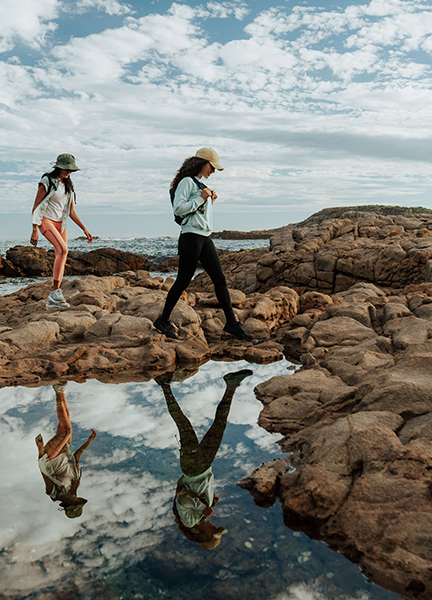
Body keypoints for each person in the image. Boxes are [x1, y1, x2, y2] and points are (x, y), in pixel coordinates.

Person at [153, 148, 252, 340]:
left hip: (204, 238)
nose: (213, 171)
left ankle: (231, 323)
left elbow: (197, 212)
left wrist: (209, 201)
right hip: (191, 238)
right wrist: (202, 198)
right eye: (212, 167)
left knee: (220, 279)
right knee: (183, 280)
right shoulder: (187, 182)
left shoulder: (199, 184)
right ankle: (163, 320)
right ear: (201, 163)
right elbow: (179, 209)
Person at [158, 368, 253, 549]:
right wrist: (210, 498)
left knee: (187, 424)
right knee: (209, 424)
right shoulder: (198, 518)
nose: (213, 526)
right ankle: (230, 385)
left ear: (204, 535)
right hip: (201, 466)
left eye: (213, 530)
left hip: (195, 467)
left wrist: (203, 507)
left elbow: (182, 500)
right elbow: (196, 491)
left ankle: (165, 385)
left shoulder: (190, 522)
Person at [30, 154, 94, 309]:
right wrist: (34, 229)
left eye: (71, 170)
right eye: (67, 169)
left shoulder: (68, 186)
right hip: (45, 221)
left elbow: (71, 211)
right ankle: (55, 292)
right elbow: (36, 206)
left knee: (63, 254)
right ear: (59, 167)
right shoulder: (47, 181)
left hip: (61, 224)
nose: (69, 172)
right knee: (63, 249)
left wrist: (84, 228)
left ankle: (55, 294)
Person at [36, 382, 97, 518]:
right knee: (66, 420)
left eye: (76, 501)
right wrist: (89, 441)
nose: (77, 498)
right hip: (64, 451)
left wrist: (40, 449)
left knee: (67, 430)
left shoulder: (54, 493)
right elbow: (76, 457)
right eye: (78, 500)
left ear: (69, 503)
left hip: (50, 457)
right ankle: (60, 389)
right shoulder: (75, 485)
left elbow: (43, 472)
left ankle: (58, 390)